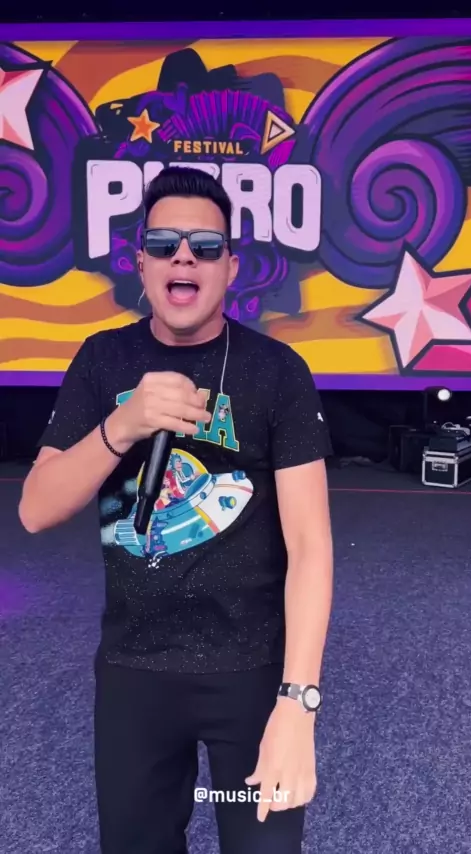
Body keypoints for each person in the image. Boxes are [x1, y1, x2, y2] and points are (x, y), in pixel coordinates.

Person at [19, 167, 334, 854]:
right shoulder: (103, 360)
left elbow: (311, 548)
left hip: (251, 673)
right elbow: (35, 509)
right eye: (164, 244)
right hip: (134, 669)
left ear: (231, 267)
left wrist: (298, 704)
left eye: (205, 245)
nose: (184, 256)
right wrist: (121, 427)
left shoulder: (277, 371)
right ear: (141, 264)